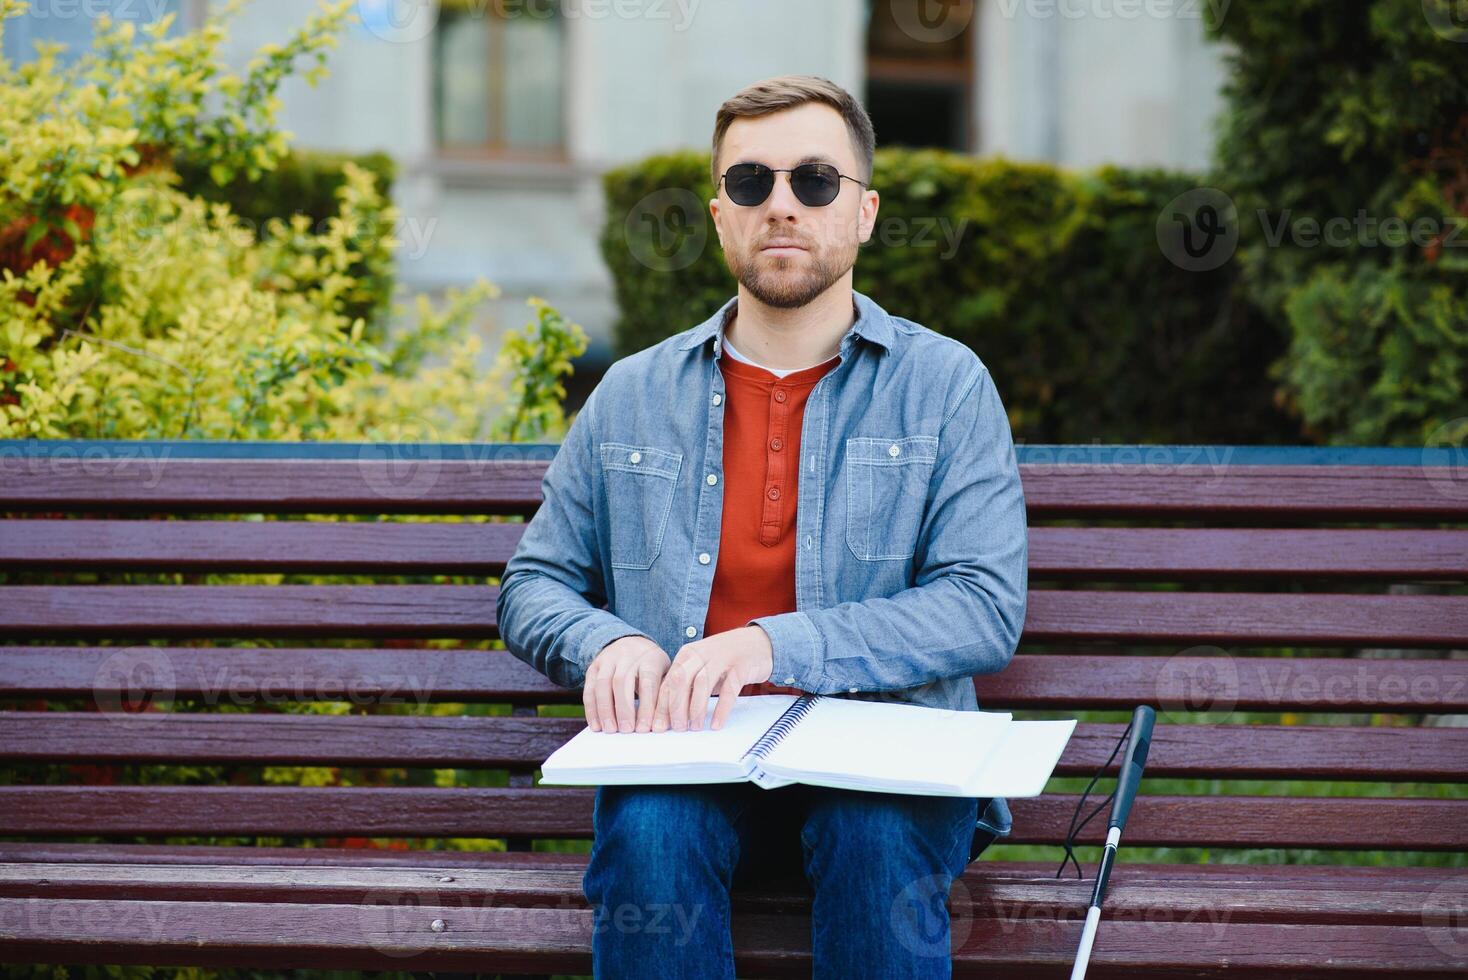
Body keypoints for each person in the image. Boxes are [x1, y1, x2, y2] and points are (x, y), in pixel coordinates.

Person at [496, 73, 1028, 980]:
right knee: (651, 836)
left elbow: (981, 607)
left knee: (874, 837)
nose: (781, 206)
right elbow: (533, 584)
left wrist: (774, 646)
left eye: (815, 182)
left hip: (881, 757)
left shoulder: (945, 385)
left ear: (863, 212)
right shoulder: (632, 392)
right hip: (688, 757)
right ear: (718, 214)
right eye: (751, 184)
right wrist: (606, 643)